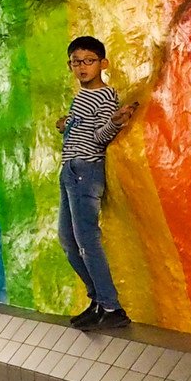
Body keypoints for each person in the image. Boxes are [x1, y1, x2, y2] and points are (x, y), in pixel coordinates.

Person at [59, 35, 135, 331]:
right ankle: (98, 300)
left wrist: (116, 122)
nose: (82, 67)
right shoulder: (81, 97)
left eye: (89, 61)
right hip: (69, 170)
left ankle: (112, 307)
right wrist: (66, 125)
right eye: (76, 62)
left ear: (103, 63)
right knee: (68, 241)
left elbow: (100, 138)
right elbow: (82, 132)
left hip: (85, 171)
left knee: (87, 241)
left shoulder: (105, 95)